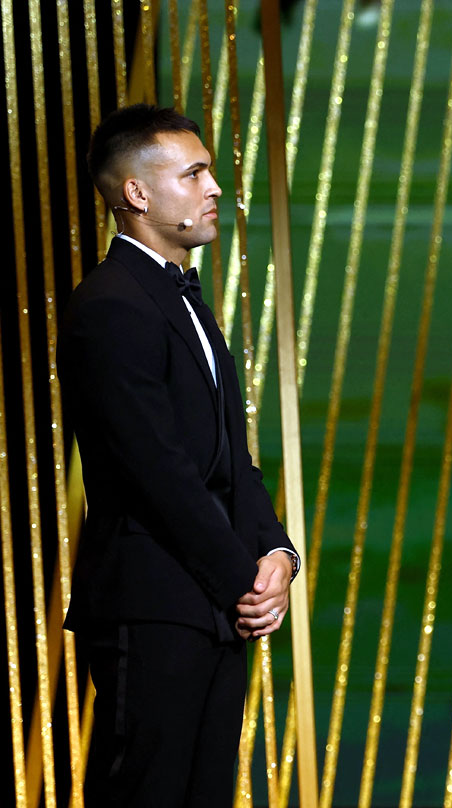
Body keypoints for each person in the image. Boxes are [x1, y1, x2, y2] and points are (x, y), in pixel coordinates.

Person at [60, 104, 300, 808]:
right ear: (136, 194)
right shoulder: (110, 304)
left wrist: (278, 556)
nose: (214, 187)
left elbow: (232, 459)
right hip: (156, 602)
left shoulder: (186, 300)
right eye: (194, 173)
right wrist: (243, 580)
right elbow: (156, 470)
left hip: (215, 603)